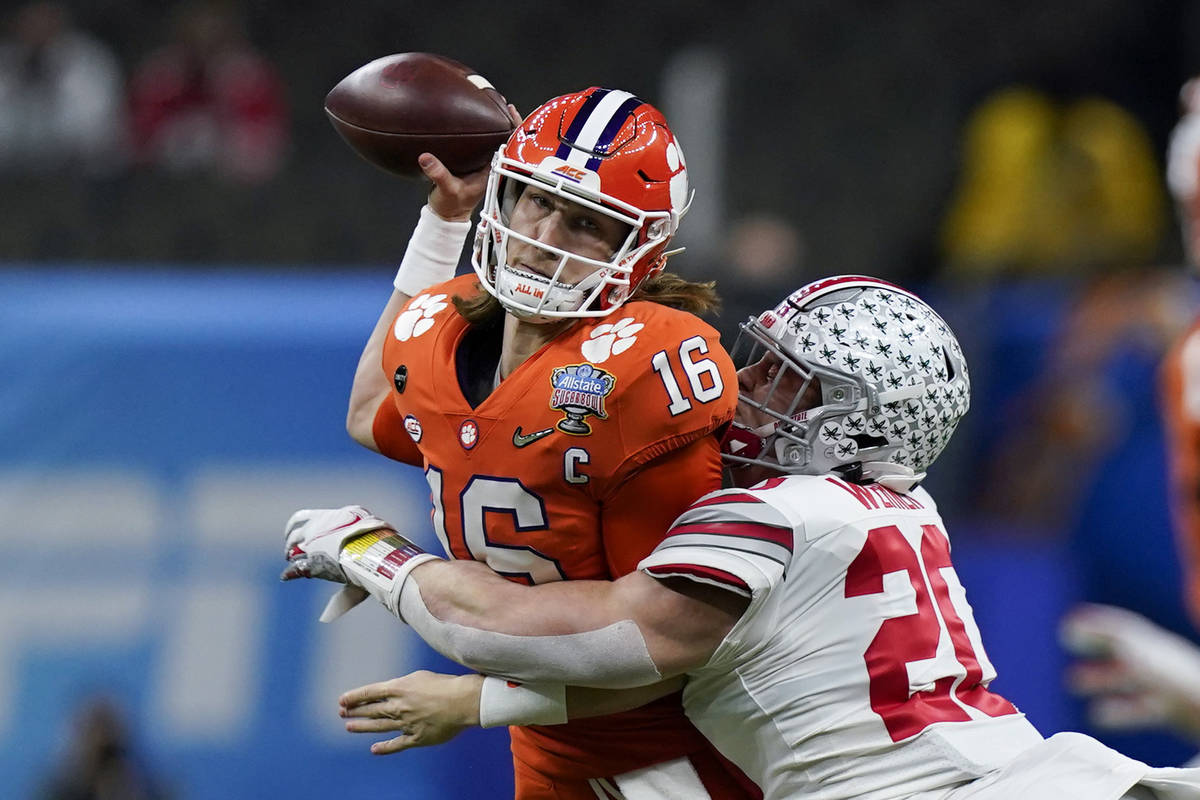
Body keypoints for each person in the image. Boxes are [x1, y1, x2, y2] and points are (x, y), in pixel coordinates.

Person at [285, 275, 1200, 799]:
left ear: (853, 428)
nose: (748, 378)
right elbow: (679, 671)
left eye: (788, 377)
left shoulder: (774, 517)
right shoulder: (903, 512)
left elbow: (580, 637)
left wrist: (375, 554)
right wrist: (476, 707)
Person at [319, 87, 756, 799]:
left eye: (587, 223)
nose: (547, 235)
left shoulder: (640, 376)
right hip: (552, 750)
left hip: (678, 755)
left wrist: (476, 702)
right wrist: (440, 223)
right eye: (536, 201)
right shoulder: (444, 329)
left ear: (639, 251)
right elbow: (372, 410)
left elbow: (681, 650)